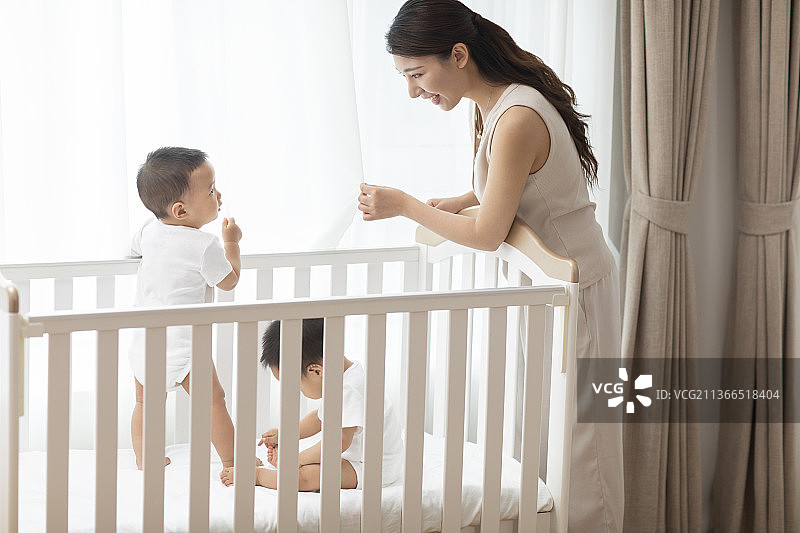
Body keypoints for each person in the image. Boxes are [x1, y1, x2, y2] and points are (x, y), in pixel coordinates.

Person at [356, 1, 623, 531]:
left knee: (582, 443)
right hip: (543, 286)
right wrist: (463, 199)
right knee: (542, 433)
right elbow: (510, 185)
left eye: (416, 74)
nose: (412, 91)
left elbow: (487, 234)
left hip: (575, 285)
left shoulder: (518, 115)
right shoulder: (489, 105)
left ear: (458, 55)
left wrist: (405, 205)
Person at [129, 146, 255, 478]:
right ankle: (233, 462)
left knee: (146, 403)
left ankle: (145, 458)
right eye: (211, 190)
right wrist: (232, 243)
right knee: (213, 402)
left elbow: (132, 248)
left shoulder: (148, 231)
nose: (219, 195)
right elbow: (229, 281)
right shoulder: (204, 245)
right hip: (184, 345)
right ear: (181, 210)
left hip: (146, 339)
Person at [220, 318, 404, 491]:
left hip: (375, 468)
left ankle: (257, 476)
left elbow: (338, 442)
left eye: (296, 385)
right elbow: (319, 418)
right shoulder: (347, 375)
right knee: (311, 462)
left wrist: (296, 460)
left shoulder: (350, 390)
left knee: (305, 476)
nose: (297, 391)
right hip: (360, 457)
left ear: (315, 371)